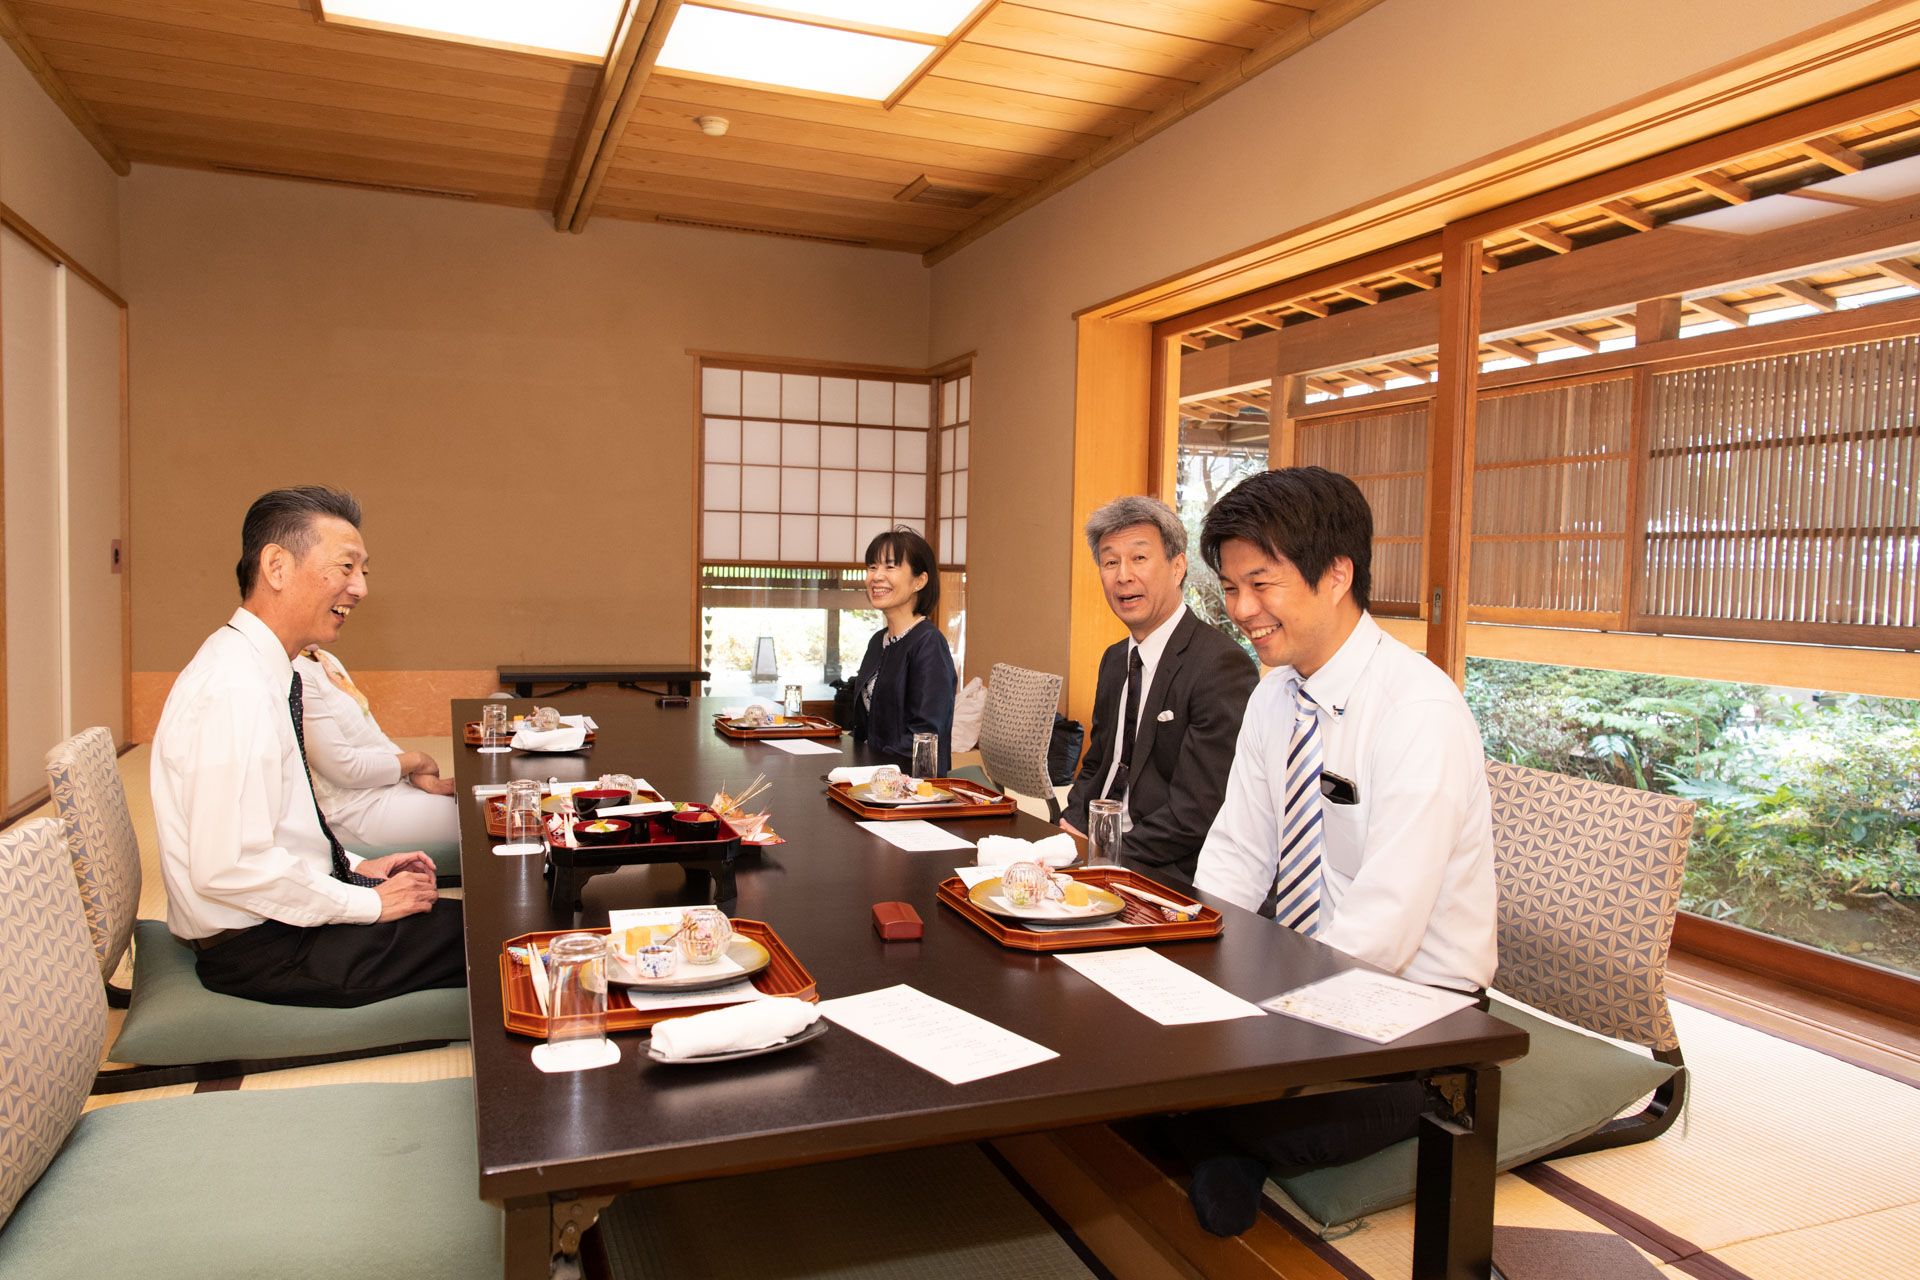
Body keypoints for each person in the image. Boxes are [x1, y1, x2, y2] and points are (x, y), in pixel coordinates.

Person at [1180, 466, 1497, 1236]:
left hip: (1414, 1014)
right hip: (1293, 973)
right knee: (1123, 1066)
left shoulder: (1417, 712)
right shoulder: (1274, 693)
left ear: (1337, 574)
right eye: (1230, 587)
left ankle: (1228, 1141)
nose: (1242, 611)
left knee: (1196, 1106)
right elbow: (1236, 855)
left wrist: (1266, 1025)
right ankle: (1218, 1132)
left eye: (1262, 584)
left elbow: (1383, 930)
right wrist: (1186, 967)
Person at [150, 486, 465, 1008]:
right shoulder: (234, 688)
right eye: (345, 567)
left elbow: (280, 827)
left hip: (280, 921)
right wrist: (364, 905)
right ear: (276, 566)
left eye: (363, 571)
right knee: (505, 938)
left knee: (483, 919)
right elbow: (229, 868)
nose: (359, 587)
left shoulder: (259, 665)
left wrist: (353, 868)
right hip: (269, 948)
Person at [1060, 495, 1257, 885]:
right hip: (1095, 854)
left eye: (1139, 558)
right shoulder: (1116, 658)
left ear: (1178, 566)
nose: (1123, 576)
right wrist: (1070, 822)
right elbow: (1099, 763)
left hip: (1165, 870)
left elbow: (1196, 811)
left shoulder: (1220, 665)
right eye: (1110, 561)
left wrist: (1105, 856)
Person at [294, 645, 459, 848]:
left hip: (388, 787)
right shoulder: (295, 672)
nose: (351, 611)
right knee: (483, 820)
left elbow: (374, 737)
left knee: (493, 806)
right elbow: (345, 769)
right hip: (355, 809)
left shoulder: (324, 658)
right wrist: (415, 760)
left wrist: (414, 775)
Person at [849, 526, 956, 774]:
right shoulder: (878, 641)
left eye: (890, 566)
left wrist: (870, 772)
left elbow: (926, 737)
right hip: (874, 774)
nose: (876, 576)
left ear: (919, 581)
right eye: (872, 567)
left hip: (910, 785)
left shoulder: (929, 644)